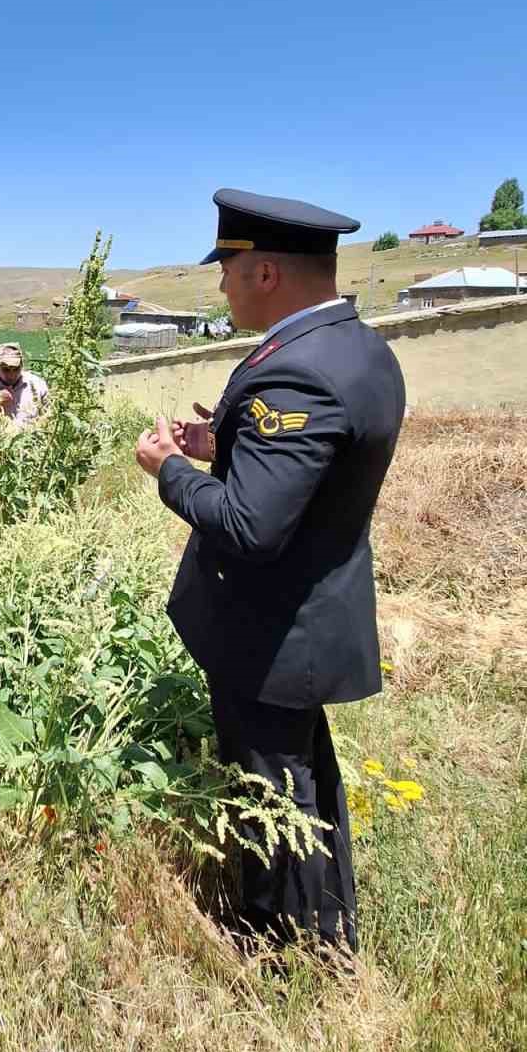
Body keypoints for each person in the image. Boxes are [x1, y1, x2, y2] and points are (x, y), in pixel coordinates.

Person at [134, 188, 405, 957]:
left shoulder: (297, 375)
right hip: (310, 613)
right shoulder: (358, 348)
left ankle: (281, 952)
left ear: (265, 274)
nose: (219, 285)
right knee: (303, 781)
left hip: (272, 630)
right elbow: (313, 472)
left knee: (269, 791)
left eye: (227, 268)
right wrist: (222, 446)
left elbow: (252, 526)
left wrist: (167, 471)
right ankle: (327, 934)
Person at [0, 342, 49, 429]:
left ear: (22, 366)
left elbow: (49, 416)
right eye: (6, 370)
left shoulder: (38, 385)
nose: (11, 375)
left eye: (16, 369)